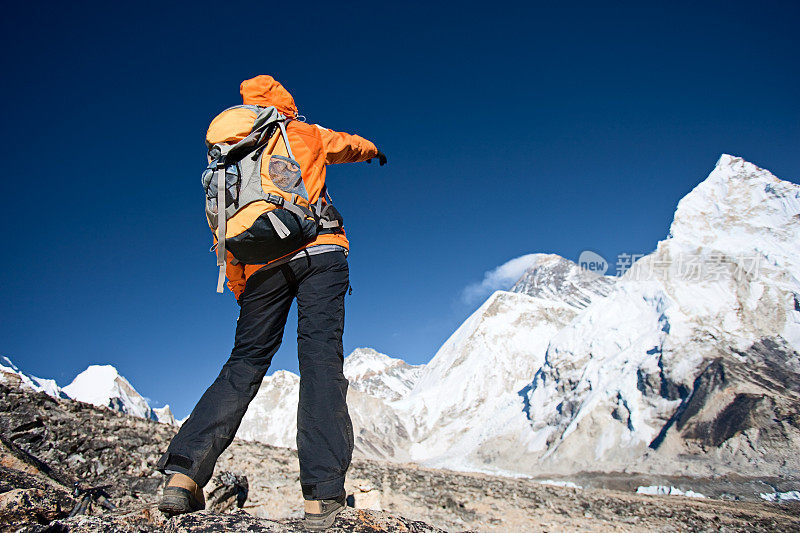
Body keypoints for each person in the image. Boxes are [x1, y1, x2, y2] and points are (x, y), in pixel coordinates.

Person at [156, 74, 386, 530]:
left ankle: (182, 476)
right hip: (320, 252)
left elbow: (226, 230)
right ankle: (322, 499)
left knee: (242, 366)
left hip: (260, 269)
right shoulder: (302, 132)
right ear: (284, 101)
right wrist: (375, 150)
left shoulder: (227, 155)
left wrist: (248, 291)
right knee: (320, 361)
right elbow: (349, 144)